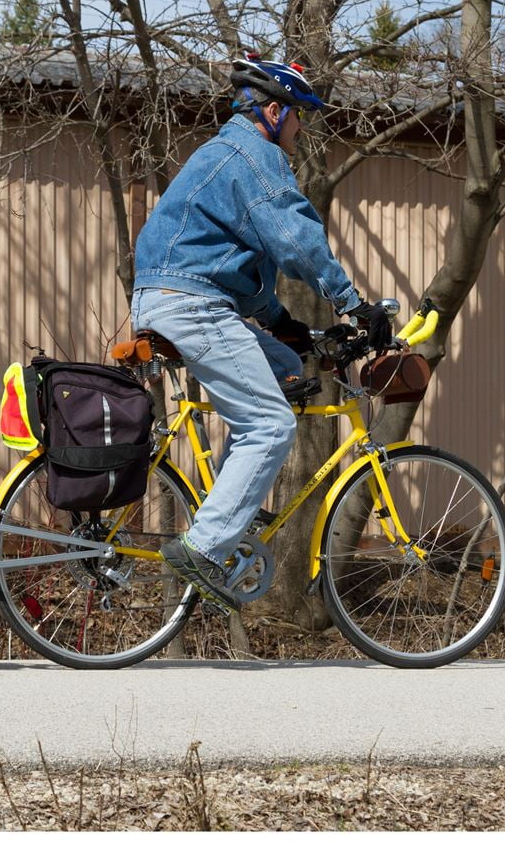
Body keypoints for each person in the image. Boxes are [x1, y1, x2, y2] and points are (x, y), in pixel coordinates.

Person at [132, 55, 392, 610]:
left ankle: (230, 511)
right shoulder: (255, 156)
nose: (301, 130)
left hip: (182, 297)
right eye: (299, 117)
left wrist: (282, 325)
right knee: (271, 425)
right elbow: (296, 242)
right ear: (273, 112)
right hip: (192, 305)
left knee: (285, 368)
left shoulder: (223, 154)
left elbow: (235, 267)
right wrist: (353, 304)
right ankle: (204, 544)